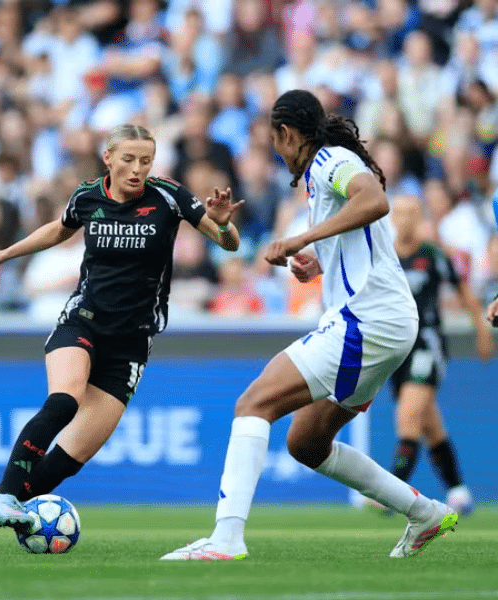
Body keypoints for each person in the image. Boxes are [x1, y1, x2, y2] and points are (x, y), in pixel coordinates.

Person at [161, 89, 457, 562]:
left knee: (254, 403)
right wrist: (318, 260)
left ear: (287, 133)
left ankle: (226, 539)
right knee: (306, 443)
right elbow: (366, 237)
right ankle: (423, 512)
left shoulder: (328, 162)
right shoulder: (324, 173)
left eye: (276, 140)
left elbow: (375, 201)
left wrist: (301, 236)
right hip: (388, 320)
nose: (277, 153)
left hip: (368, 320)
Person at [0, 123, 244, 553]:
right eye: (128, 159)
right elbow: (58, 229)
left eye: (145, 161)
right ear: (108, 158)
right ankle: (9, 502)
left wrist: (223, 226)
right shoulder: (87, 195)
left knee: (69, 460)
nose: (137, 169)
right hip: (83, 321)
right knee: (65, 399)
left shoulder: (169, 196)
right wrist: (4, 254)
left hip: (131, 342)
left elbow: (230, 244)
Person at [367, 195, 492, 516]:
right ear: (392, 218)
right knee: (429, 424)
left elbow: (462, 289)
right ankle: (458, 491)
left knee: (408, 417)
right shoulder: (382, 256)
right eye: (401, 213)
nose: (406, 219)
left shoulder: (433, 255)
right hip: (396, 350)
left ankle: (391, 493)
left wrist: (481, 331)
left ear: (420, 217)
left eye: (412, 212)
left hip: (427, 344)